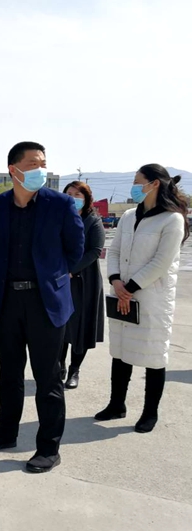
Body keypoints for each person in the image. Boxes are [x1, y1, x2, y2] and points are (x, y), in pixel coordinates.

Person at [0, 141, 83, 473]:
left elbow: (75, 249)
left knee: (48, 378)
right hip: (7, 300)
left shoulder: (61, 204)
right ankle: (6, 432)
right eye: (34, 164)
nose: (41, 170)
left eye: (43, 163)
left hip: (46, 302)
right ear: (14, 170)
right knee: (9, 374)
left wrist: (51, 277)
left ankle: (48, 447)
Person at [95, 165, 188, 433]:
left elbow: (162, 262)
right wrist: (116, 281)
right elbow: (114, 251)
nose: (134, 186)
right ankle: (117, 404)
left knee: (153, 354)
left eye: (138, 181)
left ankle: (150, 412)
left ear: (154, 183)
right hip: (122, 292)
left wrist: (130, 288)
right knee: (121, 350)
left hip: (151, 297)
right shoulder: (128, 216)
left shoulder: (172, 219)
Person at [60, 181, 105, 389]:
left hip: (84, 279)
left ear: (87, 198)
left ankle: (74, 370)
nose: (73, 198)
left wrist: (71, 270)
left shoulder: (93, 221)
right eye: (69, 193)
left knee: (80, 327)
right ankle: (59, 365)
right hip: (60, 278)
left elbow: (95, 250)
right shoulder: (58, 218)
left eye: (78, 194)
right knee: (60, 324)